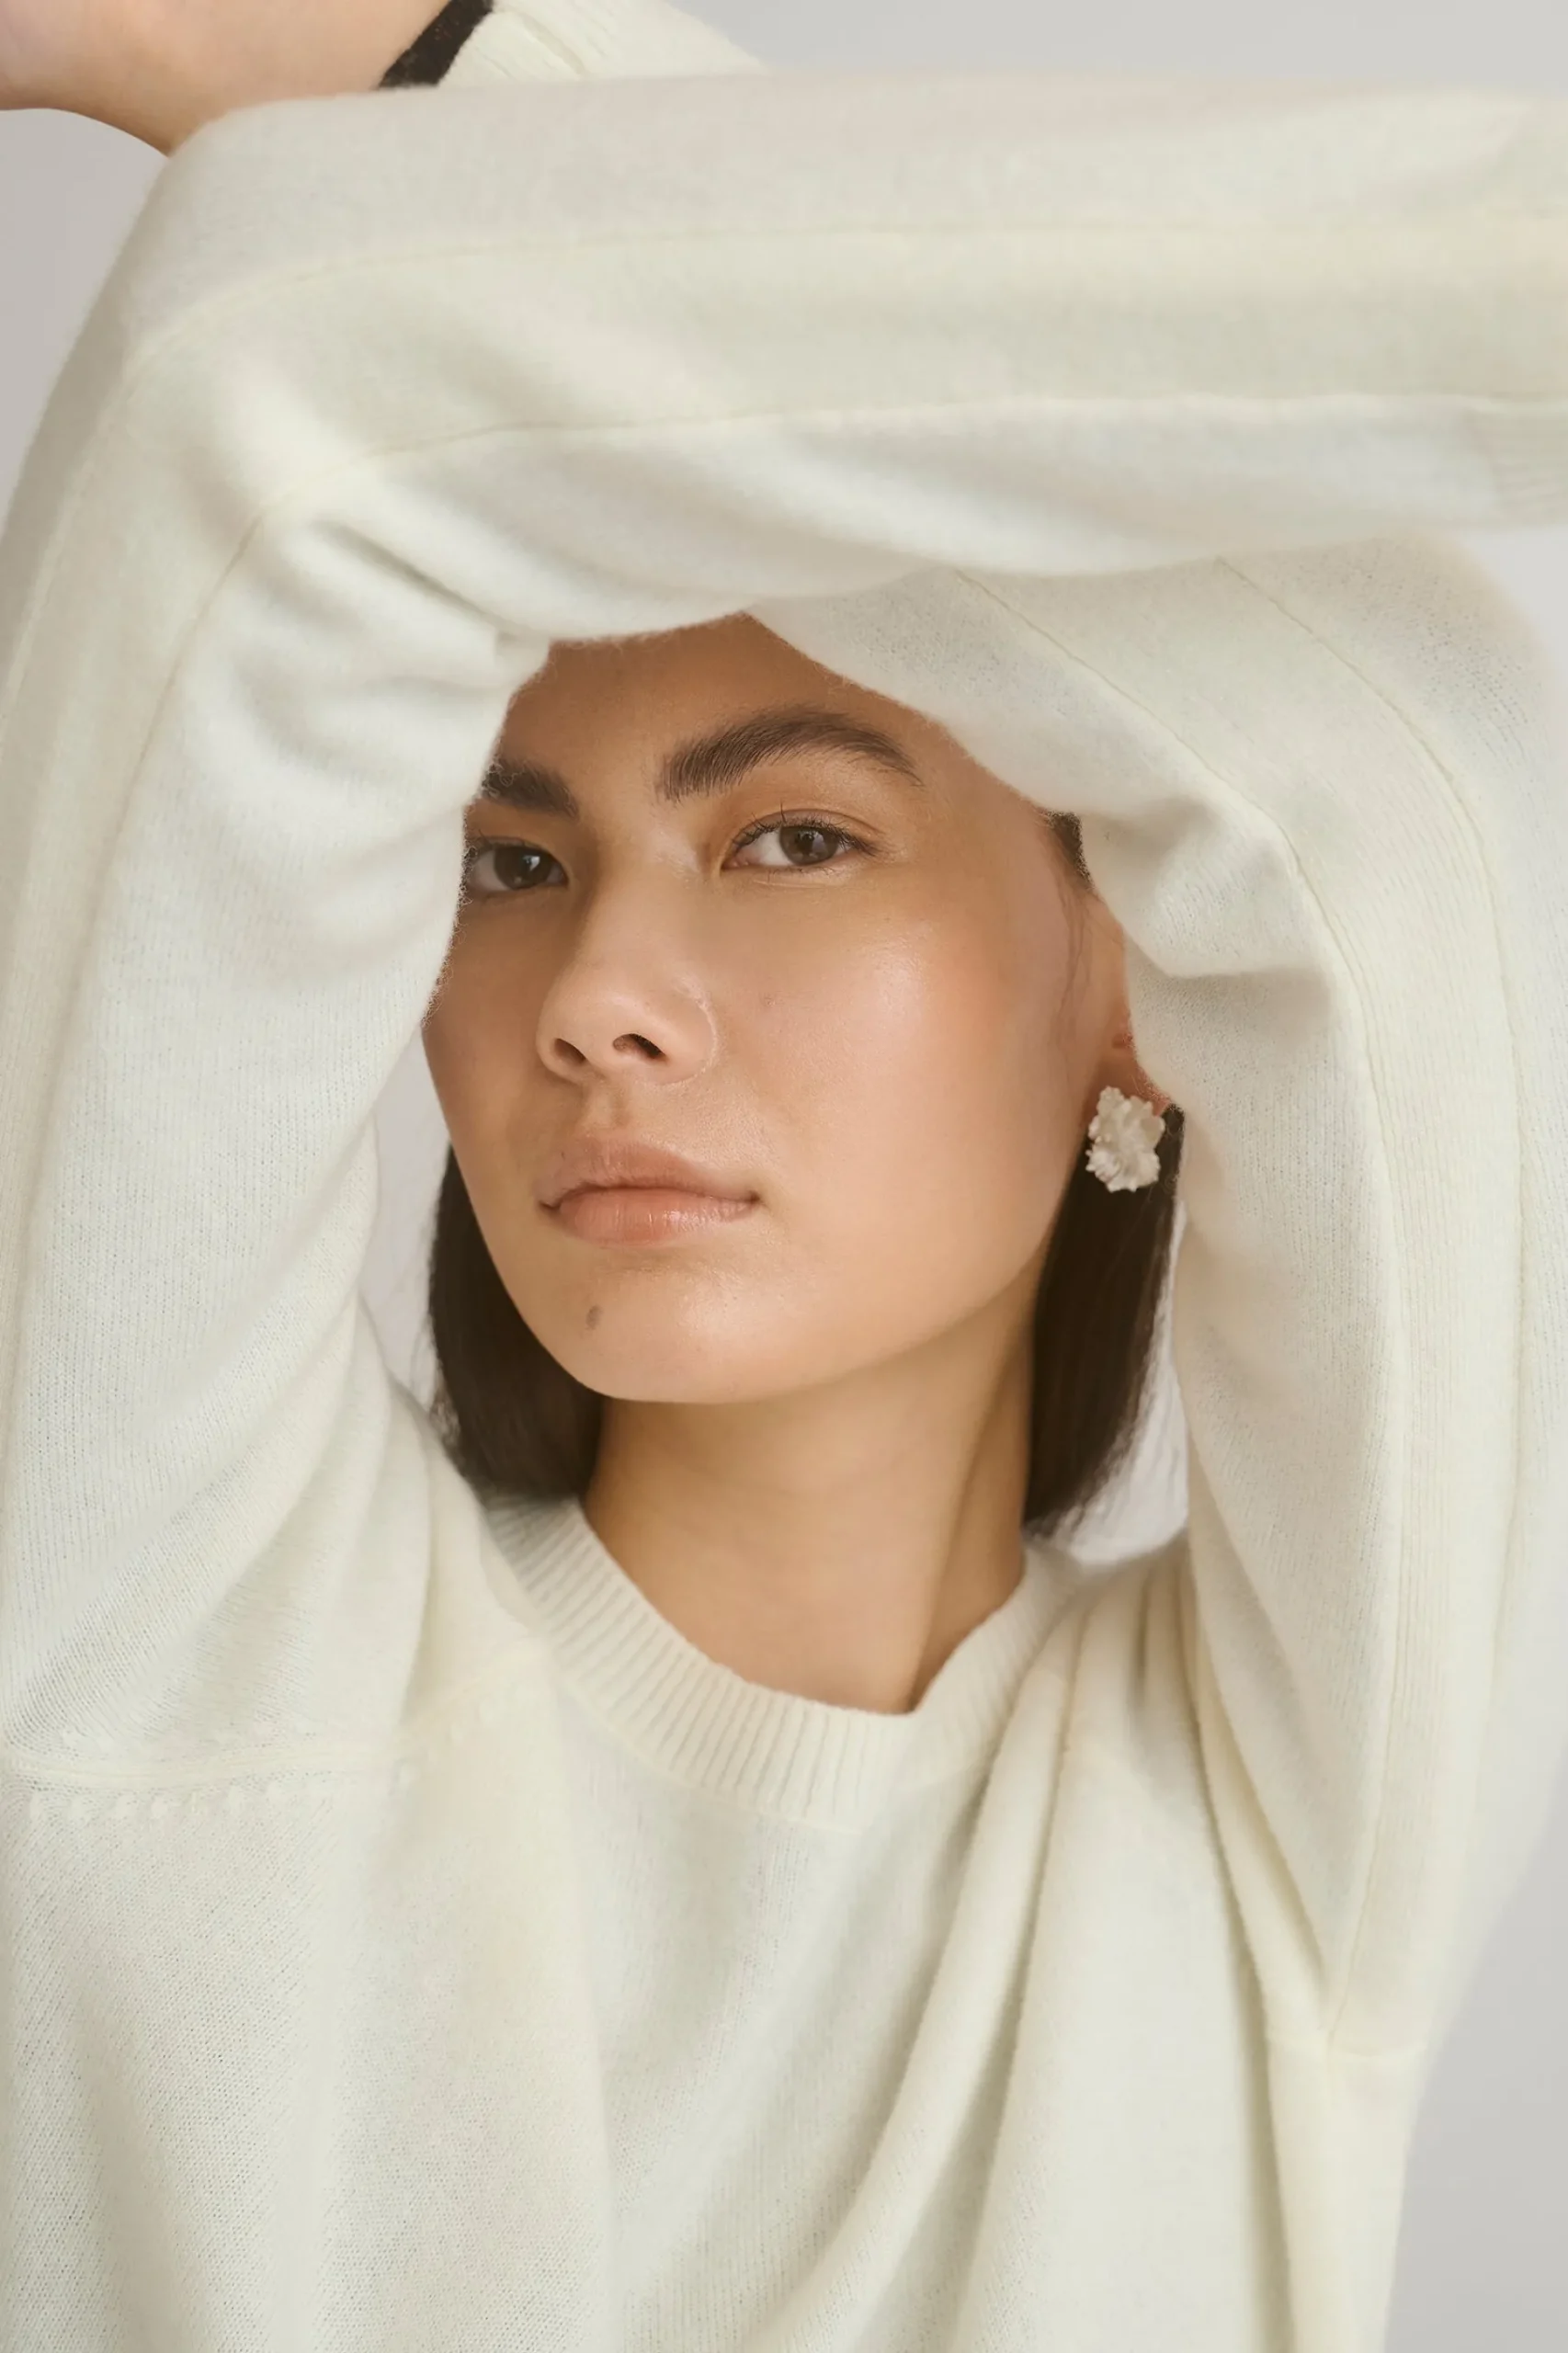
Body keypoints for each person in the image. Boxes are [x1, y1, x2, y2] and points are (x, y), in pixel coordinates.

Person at [2, 4, 1566, 2347]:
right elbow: (274, 394)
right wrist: (397, 97)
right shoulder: (155, 1620)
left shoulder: (1260, 1838)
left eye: (795, 835)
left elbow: (1405, 767)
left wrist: (412, 111)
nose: (596, 995)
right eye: (510, 861)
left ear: (1137, 974)